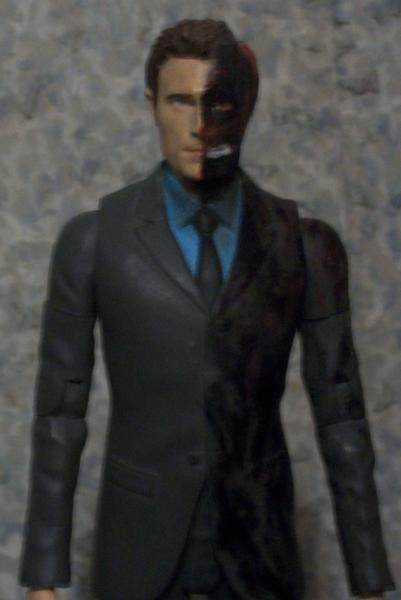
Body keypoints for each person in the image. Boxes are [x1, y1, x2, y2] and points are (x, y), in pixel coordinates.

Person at [20, 18, 394, 600]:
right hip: (137, 554)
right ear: (152, 104)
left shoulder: (303, 244)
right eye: (180, 101)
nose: (201, 125)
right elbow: (59, 415)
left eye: (219, 103)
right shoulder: (95, 241)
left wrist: (369, 582)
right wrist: (43, 579)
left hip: (261, 555)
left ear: (244, 108)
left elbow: (342, 417)